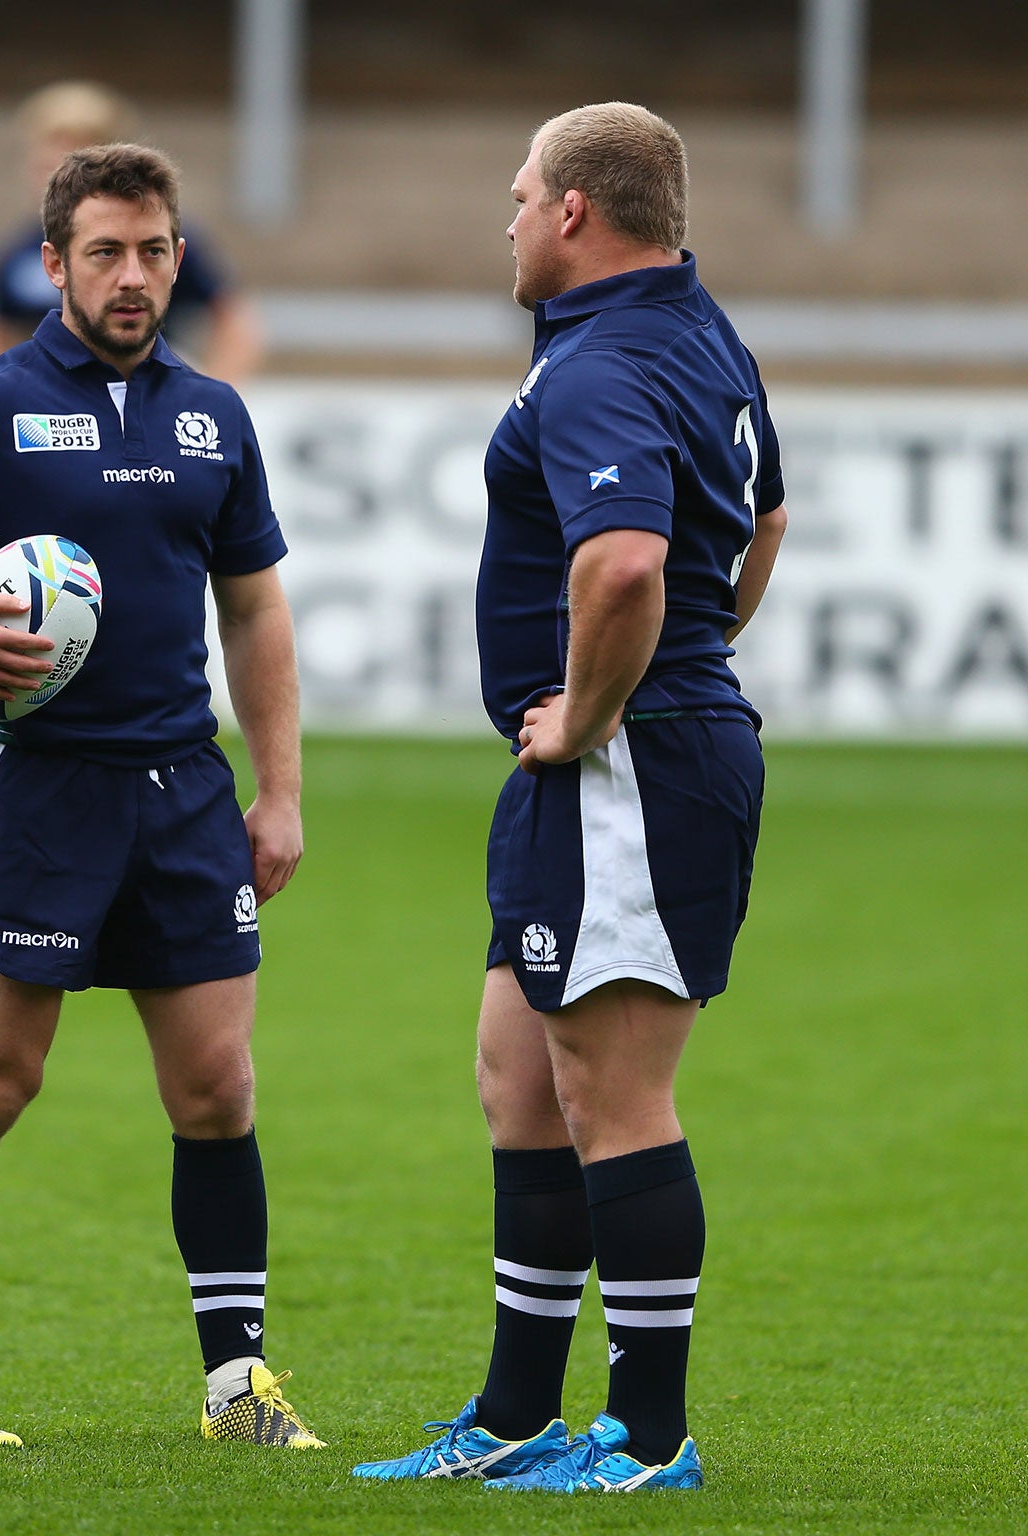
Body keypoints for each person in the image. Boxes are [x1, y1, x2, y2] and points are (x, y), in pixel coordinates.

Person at [0, 142, 316, 1450]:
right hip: (40, 791)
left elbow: (256, 608)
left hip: (185, 793)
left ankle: (239, 1391)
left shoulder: (215, 414)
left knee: (218, 1090)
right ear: (53, 264)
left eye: (155, 250)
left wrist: (279, 791)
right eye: (106, 251)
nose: (135, 276)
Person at [351, 102, 788, 1492]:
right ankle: (516, 1414)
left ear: (575, 215)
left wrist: (597, 712)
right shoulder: (696, 331)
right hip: (616, 760)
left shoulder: (605, 357)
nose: (510, 218)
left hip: (628, 767)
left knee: (613, 1094)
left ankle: (649, 1441)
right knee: (519, 1081)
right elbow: (765, 510)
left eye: (521, 193)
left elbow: (622, 572)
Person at [0, 82, 262, 383]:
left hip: (141, 399)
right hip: (56, 410)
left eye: (64, 160)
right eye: (44, 162)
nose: (49, 176)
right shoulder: (16, 255)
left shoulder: (158, 241)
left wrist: (217, 393)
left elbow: (234, 322)